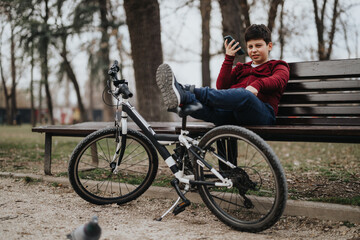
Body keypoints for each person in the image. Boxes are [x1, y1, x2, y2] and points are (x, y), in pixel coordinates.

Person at [156, 24, 290, 126]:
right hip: (235, 114)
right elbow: (222, 86)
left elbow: (279, 80)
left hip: (262, 115)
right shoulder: (241, 68)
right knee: (206, 110)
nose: (254, 50)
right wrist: (229, 58)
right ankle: (183, 100)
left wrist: (257, 85)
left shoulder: (278, 65)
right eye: (250, 47)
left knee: (245, 95)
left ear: (269, 46)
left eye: (258, 45)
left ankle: (185, 90)